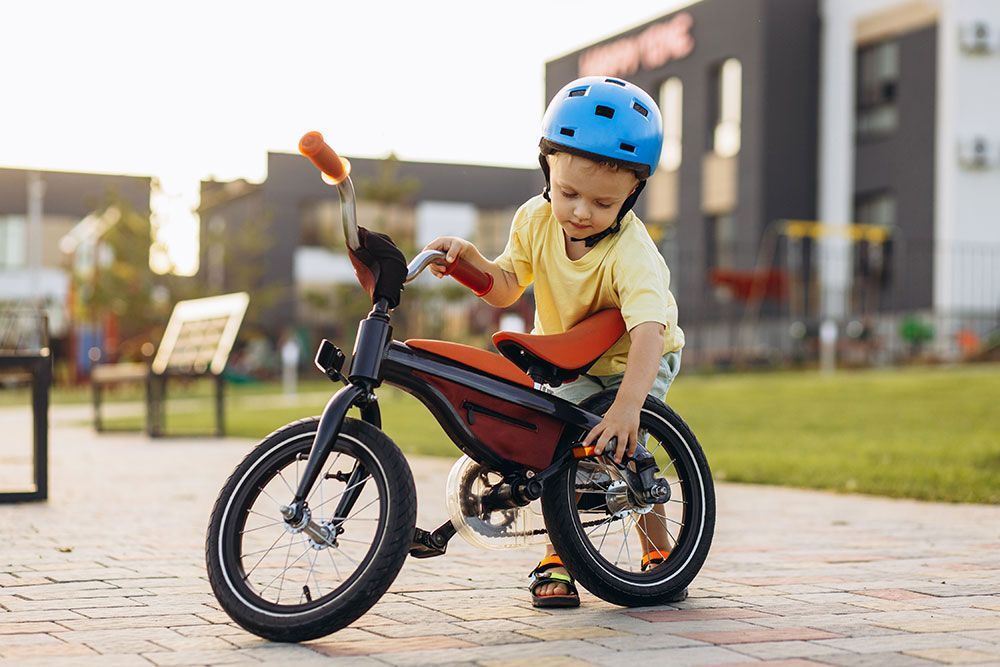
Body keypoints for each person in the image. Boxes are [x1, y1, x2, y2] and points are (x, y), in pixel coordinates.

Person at [424, 76, 685, 608]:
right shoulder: (534, 219)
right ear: (548, 170)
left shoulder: (632, 252)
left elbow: (648, 332)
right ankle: (557, 557)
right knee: (556, 455)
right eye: (569, 194)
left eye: (602, 202)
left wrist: (628, 407)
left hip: (633, 358)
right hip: (571, 361)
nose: (581, 212)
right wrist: (469, 262)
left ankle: (659, 553)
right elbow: (504, 286)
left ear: (631, 195)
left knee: (626, 451)